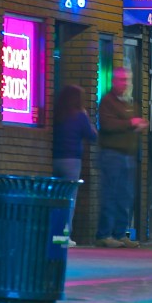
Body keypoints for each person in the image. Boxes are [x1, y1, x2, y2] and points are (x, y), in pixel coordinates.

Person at [95, 68, 147, 248]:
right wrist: (130, 123)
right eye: (122, 80)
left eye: (128, 80)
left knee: (126, 195)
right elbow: (107, 124)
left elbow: (131, 123)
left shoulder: (131, 103)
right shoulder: (108, 101)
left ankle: (120, 233)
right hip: (112, 154)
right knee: (110, 194)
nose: (126, 83)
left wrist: (138, 125)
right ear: (114, 81)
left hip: (128, 155)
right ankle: (105, 234)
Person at [52, 85, 97, 247]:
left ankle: (53, 232)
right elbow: (92, 136)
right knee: (69, 199)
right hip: (72, 161)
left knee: (56, 198)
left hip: (55, 158)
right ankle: (64, 235)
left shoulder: (57, 114)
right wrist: (87, 119)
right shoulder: (79, 116)